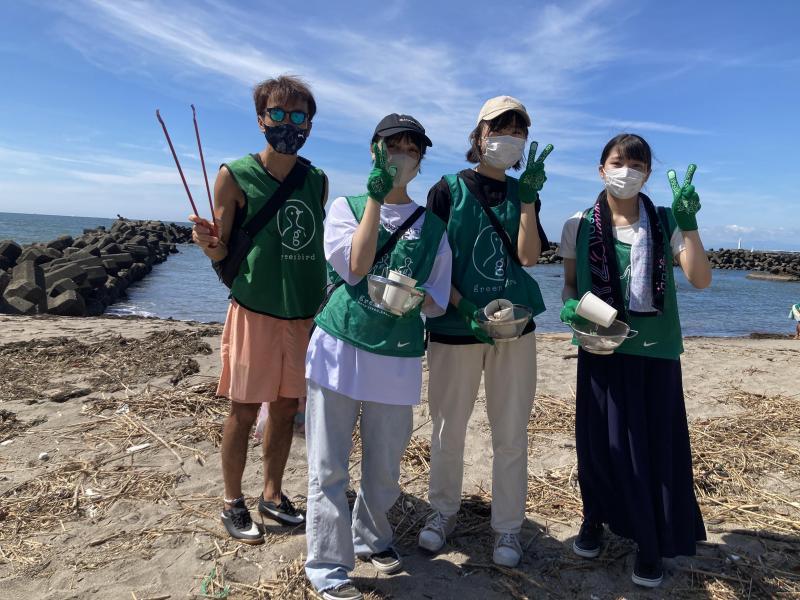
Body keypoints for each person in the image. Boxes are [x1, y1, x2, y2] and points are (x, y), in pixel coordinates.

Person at [303, 114, 452, 600]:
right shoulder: (344, 207)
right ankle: (328, 565)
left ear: (421, 162)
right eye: (393, 147)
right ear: (374, 151)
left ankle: (372, 536)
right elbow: (355, 266)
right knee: (328, 466)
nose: (401, 156)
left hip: (397, 355)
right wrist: (374, 197)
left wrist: (415, 298)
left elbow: (438, 298)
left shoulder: (433, 227)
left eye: (412, 149)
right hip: (339, 348)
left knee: (385, 466)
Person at [558, 133, 712, 588]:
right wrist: (570, 308)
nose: (626, 171)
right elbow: (569, 285)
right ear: (601, 169)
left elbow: (701, 279)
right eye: (617, 162)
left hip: (655, 354)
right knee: (598, 447)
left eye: (637, 164)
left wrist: (690, 224)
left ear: (647, 174)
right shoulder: (578, 224)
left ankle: (650, 543)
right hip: (601, 349)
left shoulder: (665, 221)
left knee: (654, 450)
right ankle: (595, 518)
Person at [190, 76, 328, 544]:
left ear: (309, 124)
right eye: (279, 114)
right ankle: (232, 501)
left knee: (286, 408)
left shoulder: (316, 179)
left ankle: (271, 493)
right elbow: (221, 249)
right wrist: (207, 242)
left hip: (303, 313)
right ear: (261, 119)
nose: (289, 123)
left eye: (298, 116)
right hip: (255, 309)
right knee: (244, 409)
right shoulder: (234, 174)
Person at [420, 96, 551, 568]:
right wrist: (465, 307)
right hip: (456, 327)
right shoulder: (446, 190)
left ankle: (508, 527)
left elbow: (530, 257)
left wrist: (529, 199)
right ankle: (442, 512)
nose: (509, 138)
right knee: (447, 428)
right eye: (500, 128)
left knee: (511, 431)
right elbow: (431, 263)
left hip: (514, 328)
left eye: (518, 131)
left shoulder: (523, 192)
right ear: (478, 135)